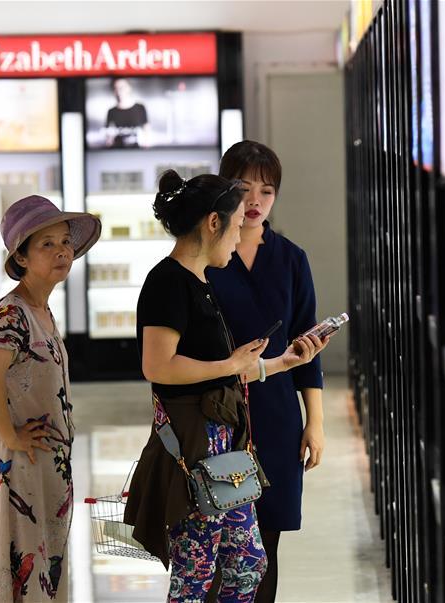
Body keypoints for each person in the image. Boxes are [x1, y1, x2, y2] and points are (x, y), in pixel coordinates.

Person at [123, 171, 326, 602]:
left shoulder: (201, 281)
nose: (239, 238)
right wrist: (229, 362)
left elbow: (224, 371)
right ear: (212, 223)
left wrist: (282, 363)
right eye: (235, 226)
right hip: (192, 449)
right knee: (195, 574)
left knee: (248, 560)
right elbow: (157, 365)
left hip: (223, 450)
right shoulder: (168, 282)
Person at [207, 141, 329, 602]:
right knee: (218, 541)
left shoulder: (291, 259)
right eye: (243, 188)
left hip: (277, 418)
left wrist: (314, 423)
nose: (255, 201)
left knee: (265, 547)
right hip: (218, 417)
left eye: (267, 191)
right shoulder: (206, 259)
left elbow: (306, 347)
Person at [0, 195, 101, 602]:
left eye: (65, 241)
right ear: (22, 258)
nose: (62, 251)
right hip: (21, 470)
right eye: (46, 244)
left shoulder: (42, 310)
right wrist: (11, 437)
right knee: (26, 579)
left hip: (46, 468)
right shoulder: (12, 314)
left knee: (45, 576)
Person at [104, 77, 149, 148]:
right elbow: (108, 135)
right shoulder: (111, 111)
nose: (119, 91)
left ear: (129, 88)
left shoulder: (140, 107)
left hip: (137, 149)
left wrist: (146, 145)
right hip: (117, 150)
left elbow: (146, 130)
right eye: (116, 88)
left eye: (122, 87)